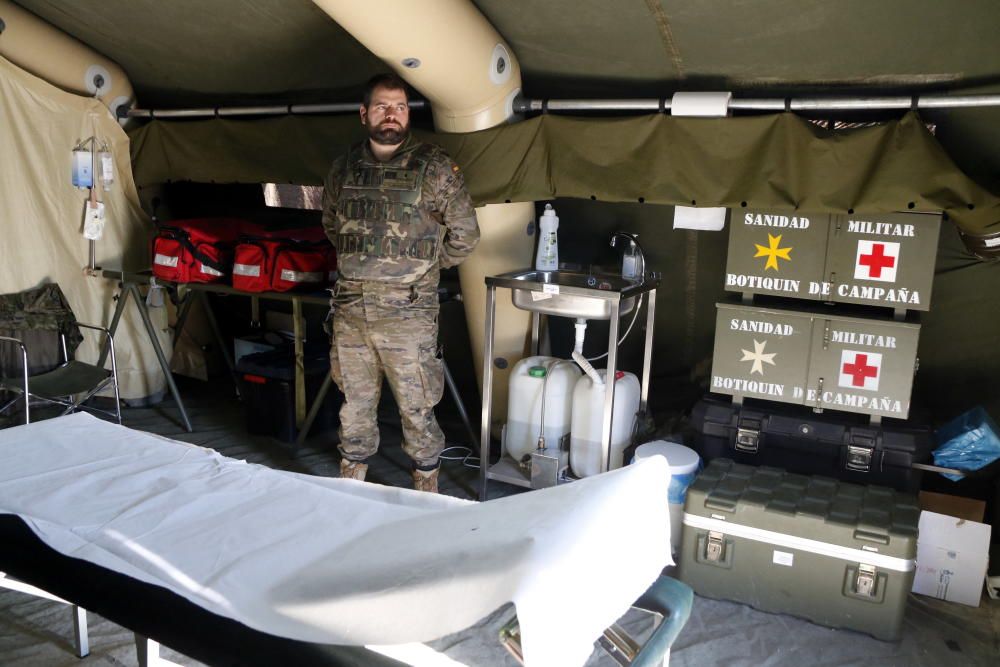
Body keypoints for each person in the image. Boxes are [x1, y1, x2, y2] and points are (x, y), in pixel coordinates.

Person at [321, 73, 480, 493]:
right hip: (352, 309)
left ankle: (426, 484)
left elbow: (466, 236)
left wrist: (423, 270)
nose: (391, 114)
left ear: (408, 114)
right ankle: (351, 482)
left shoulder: (436, 168)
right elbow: (332, 227)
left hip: (408, 313)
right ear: (364, 113)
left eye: (400, 107)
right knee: (354, 403)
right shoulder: (343, 169)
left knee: (417, 406)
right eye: (382, 106)